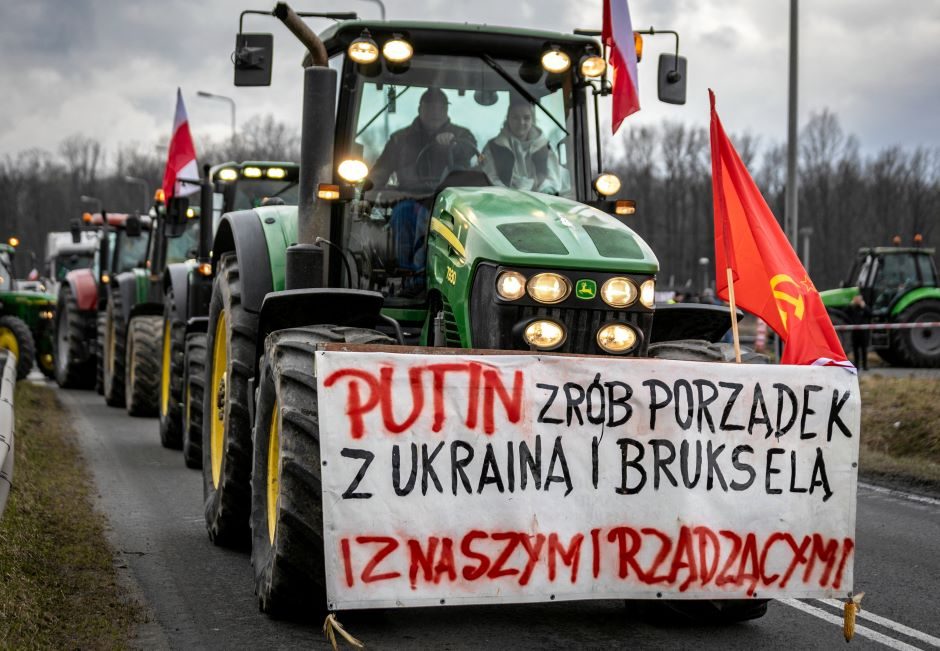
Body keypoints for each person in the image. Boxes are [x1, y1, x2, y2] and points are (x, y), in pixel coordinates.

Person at [369, 87, 477, 194]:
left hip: (448, 202)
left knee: (450, 212)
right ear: (420, 109)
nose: (435, 113)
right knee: (402, 211)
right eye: (430, 108)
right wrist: (365, 193)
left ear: (447, 110)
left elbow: (470, 149)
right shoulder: (399, 140)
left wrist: (455, 144)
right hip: (409, 201)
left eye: (441, 108)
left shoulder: (462, 135)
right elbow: (380, 172)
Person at [481, 97, 568, 195]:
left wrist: (542, 190)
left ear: (532, 120)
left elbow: (553, 179)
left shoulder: (544, 147)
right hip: (503, 201)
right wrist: (510, 194)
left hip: (540, 202)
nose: (521, 122)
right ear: (508, 119)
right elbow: (490, 177)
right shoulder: (493, 147)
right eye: (515, 117)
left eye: (526, 118)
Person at [846, 293, 871, 370]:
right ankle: (856, 364)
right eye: (856, 299)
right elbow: (845, 313)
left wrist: (864, 307)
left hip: (863, 332)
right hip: (855, 332)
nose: (857, 300)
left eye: (859, 299)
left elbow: (870, 314)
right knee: (855, 349)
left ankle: (865, 365)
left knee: (864, 349)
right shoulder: (852, 308)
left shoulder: (864, 308)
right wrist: (850, 305)